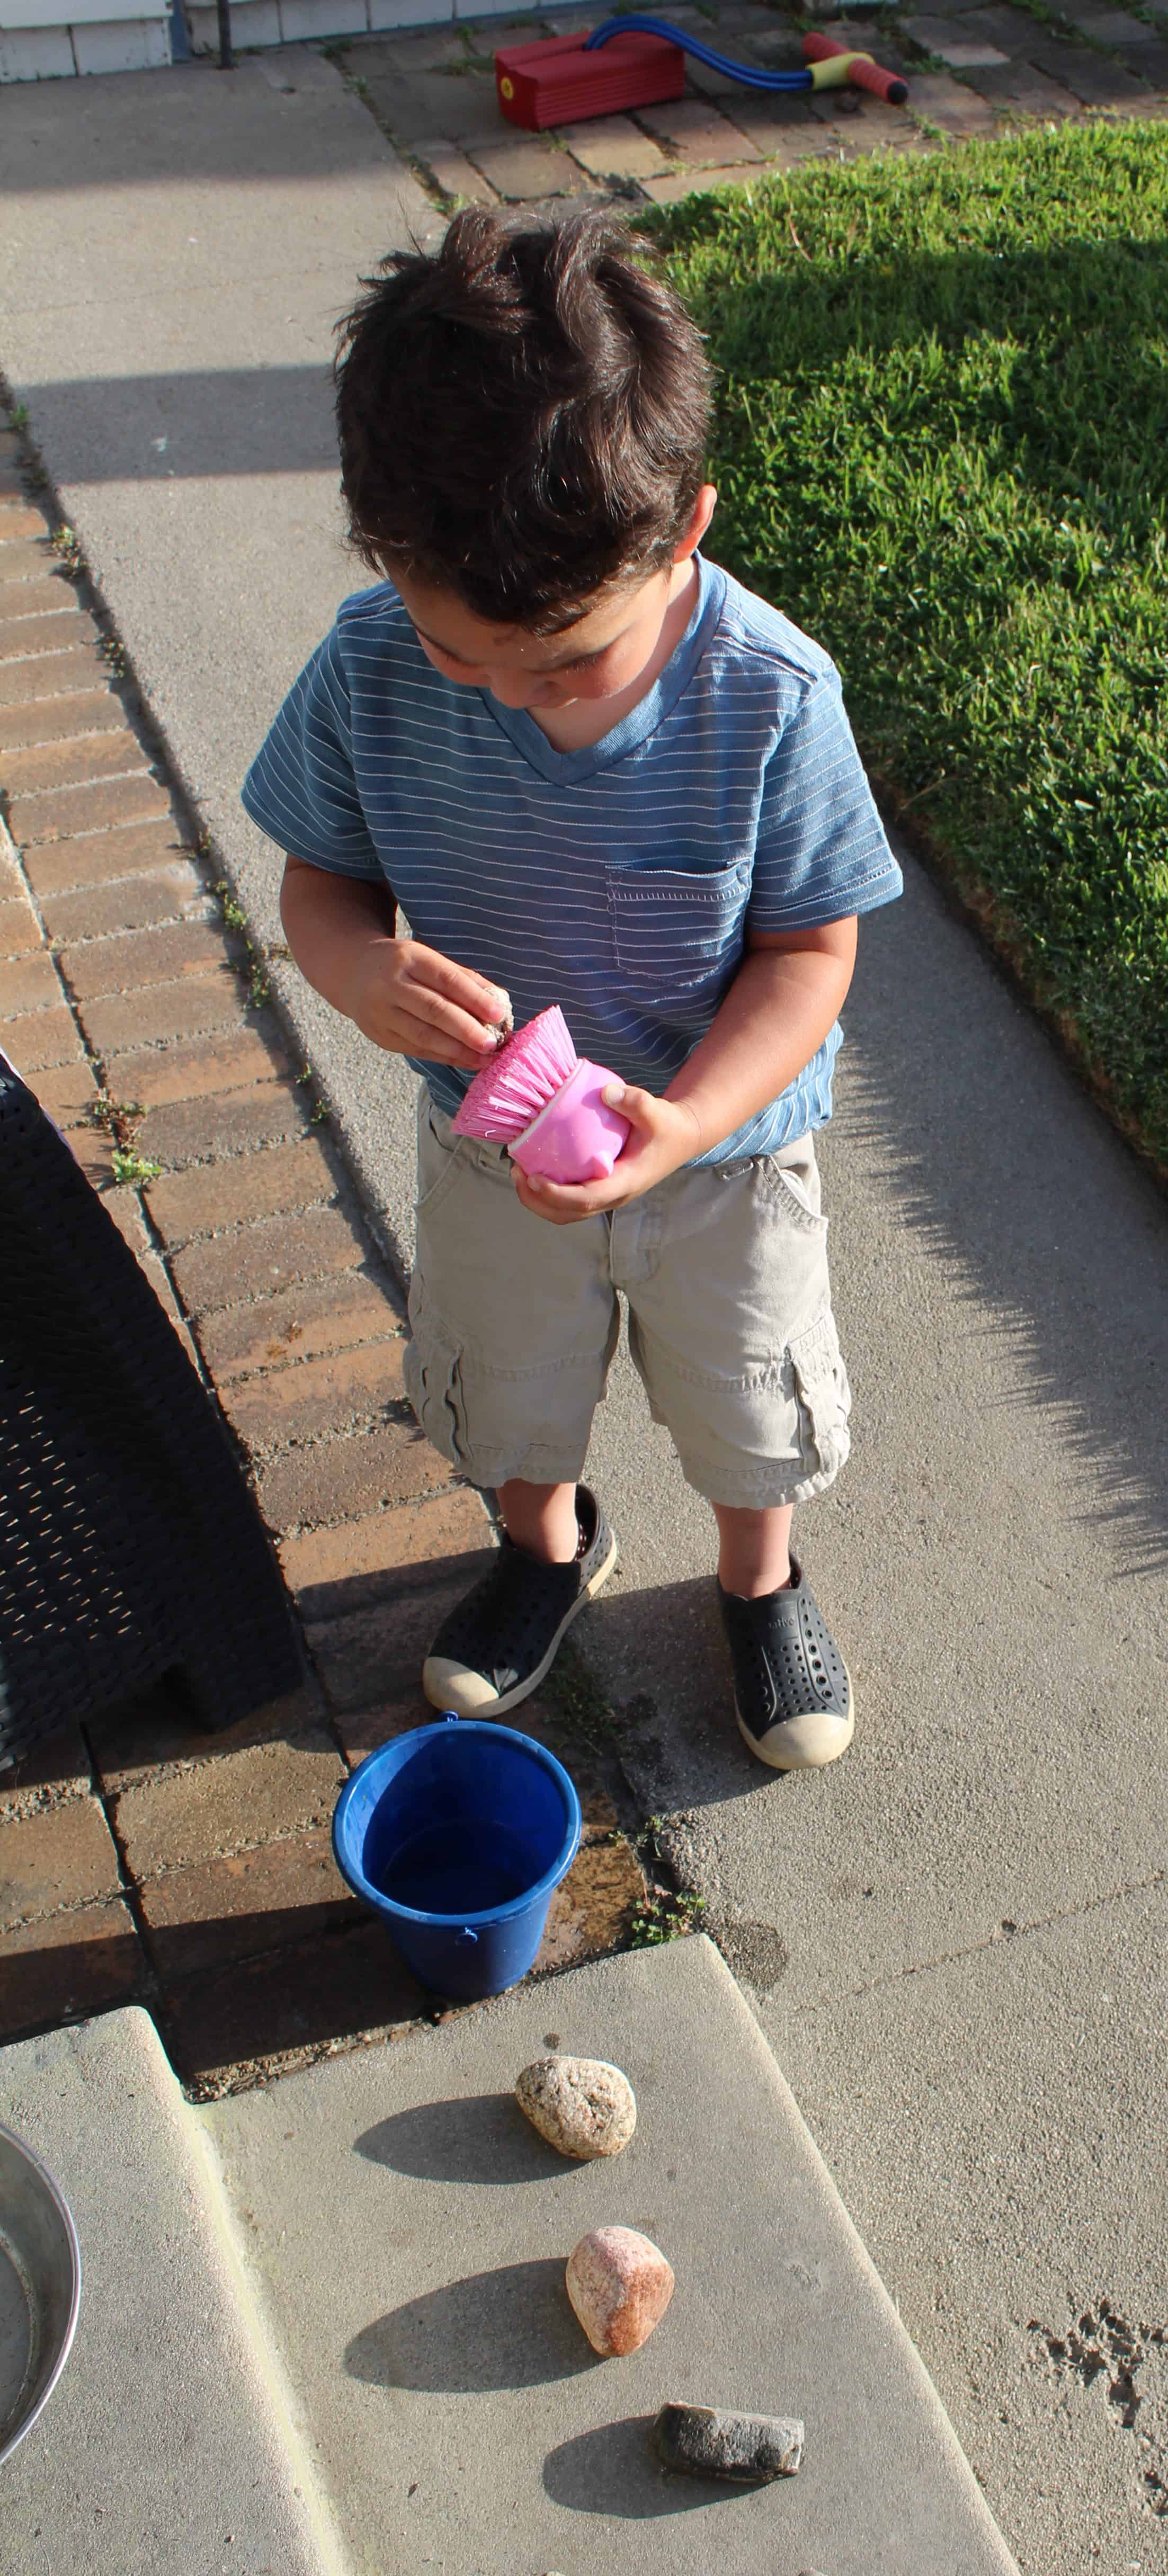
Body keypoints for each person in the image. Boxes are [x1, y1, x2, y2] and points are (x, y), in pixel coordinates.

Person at [241, 205, 902, 1769]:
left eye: (570, 664)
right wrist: (360, 969)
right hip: (489, 1143)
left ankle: (759, 1577)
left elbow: (813, 951)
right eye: (466, 657)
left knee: (752, 1404)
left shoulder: (770, 699)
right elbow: (320, 885)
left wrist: (687, 1121)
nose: (512, 696)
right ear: (389, 559)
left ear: (684, 538)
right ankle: (547, 1551)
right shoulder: (369, 669)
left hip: (720, 1162)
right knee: (501, 1389)